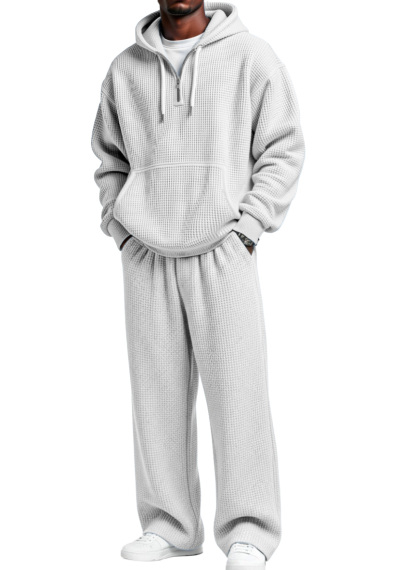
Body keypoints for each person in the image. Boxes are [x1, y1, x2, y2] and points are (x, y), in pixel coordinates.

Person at [91, 1, 305, 567]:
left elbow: (283, 146)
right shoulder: (124, 69)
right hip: (147, 253)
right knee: (155, 397)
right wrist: (120, 226)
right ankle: (170, 526)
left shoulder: (251, 57)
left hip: (224, 250)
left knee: (239, 394)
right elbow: (110, 158)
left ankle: (250, 531)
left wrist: (251, 226)